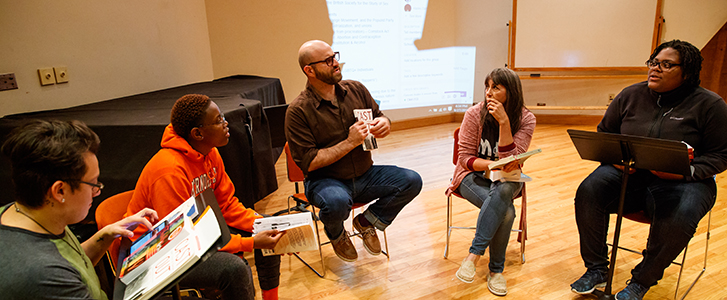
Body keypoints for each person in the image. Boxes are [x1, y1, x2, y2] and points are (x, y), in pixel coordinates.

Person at [570, 40, 727, 300]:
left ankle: (641, 281)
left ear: (686, 72)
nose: (655, 69)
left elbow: (721, 155)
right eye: (653, 62)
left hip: (685, 182)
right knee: (589, 190)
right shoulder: (630, 95)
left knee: (682, 213)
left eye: (666, 65)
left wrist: (686, 172)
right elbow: (605, 133)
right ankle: (596, 270)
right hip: (631, 174)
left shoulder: (711, 106)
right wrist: (615, 158)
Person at [125, 94, 284, 300]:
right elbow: (181, 238)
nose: (226, 123)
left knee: (269, 228)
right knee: (234, 269)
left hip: (197, 230)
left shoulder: (210, 153)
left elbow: (226, 206)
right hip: (157, 254)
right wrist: (250, 243)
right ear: (198, 133)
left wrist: (263, 224)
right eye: (218, 120)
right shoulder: (169, 170)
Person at [285, 40, 422, 262]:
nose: (335, 64)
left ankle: (367, 222)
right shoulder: (298, 111)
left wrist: (384, 123)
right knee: (337, 202)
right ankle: (336, 232)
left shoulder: (356, 89)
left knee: (412, 180)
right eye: (327, 61)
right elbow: (309, 163)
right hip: (326, 181)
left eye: (335, 56)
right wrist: (350, 142)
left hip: (365, 174)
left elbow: (379, 115)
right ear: (309, 70)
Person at [0, 119, 158, 300]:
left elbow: (70, 263)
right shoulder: (45, 276)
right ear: (60, 191)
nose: (97, 191)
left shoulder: (35, 215)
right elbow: (59, 271)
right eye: (92, 184)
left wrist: (106, 235)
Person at [447, 68, 536, 296]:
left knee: (505, 188)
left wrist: (504, 123)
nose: (489, 93)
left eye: (496, 88)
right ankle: (496, 271)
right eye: (487, 87)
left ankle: (473, 256)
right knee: (506, 212)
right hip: (471, 177)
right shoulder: (474, 114)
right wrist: (489, 165)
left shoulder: (526, 119)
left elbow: (512, 162)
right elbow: (464, 159)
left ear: (511, 92)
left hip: (508, 178)